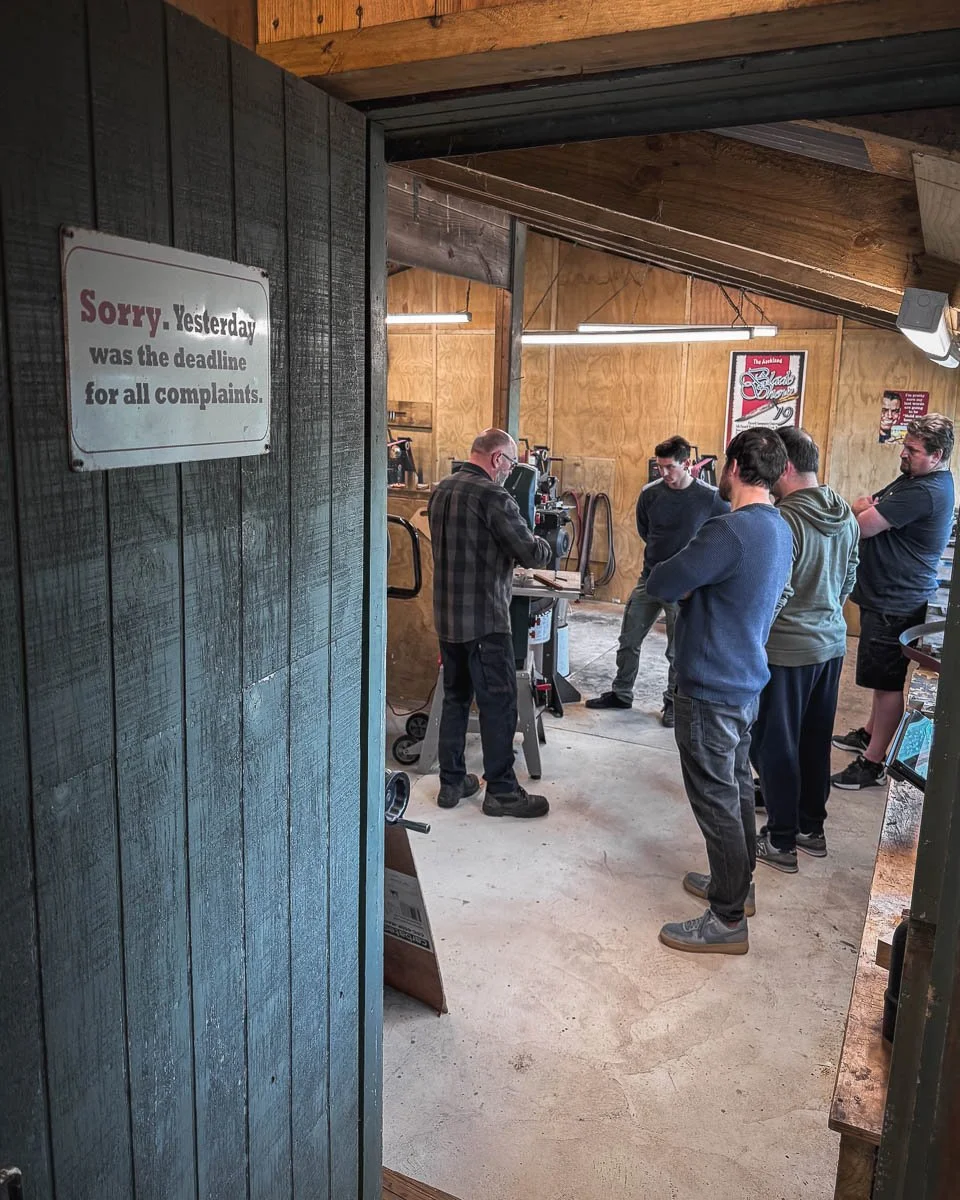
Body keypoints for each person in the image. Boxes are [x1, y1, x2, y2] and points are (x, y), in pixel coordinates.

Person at [646, 428, 793, 955]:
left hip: (711, 686)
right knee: (733, 793)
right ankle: (738, 886)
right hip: (745, 680)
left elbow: (661, 582)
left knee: (715, 801)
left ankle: (728, 919)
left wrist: (690, 581)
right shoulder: (779, 529)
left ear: (731, 467)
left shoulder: (726, 532)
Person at [427, 428, 553, 818]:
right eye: (510, 464)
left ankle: (452, 783)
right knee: (498, 705)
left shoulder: (442, 488)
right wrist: (551, 543)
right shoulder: (493, 495)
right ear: (497, 458)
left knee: (456, 699)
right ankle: (501, 791)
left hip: (448, 618)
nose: (508, 473)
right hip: (485, 621)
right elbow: (529, 552)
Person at [751, 428, 860, 873]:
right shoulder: (846, 514)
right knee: (813, 740)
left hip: (787, 650)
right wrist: (828, 610)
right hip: (830, 644)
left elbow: (777, 591)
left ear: (788, 466)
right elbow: (851, 576)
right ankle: (810, 829)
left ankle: (780, 840)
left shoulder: (785, 520)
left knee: (774, 743)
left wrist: (755, 635)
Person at [832, 413, 955, 789]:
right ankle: (871, 734)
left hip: (895, 598)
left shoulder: (925, 491)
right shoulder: (916, 478)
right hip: (886, 594)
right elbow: (871, 507)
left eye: (913, 450)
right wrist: (863, 507)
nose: (903, 454)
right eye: (905, 446)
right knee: (878, 676)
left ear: (936, 456)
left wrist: (858, 508)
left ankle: (873, 763)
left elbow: (863, 522)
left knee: (887, 684)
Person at [586, 435, 727, 727]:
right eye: (659, 467)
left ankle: (672, 703)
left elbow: (722, 534)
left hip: (686, 587)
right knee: (628, 639)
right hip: (650, 578)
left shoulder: (710, 498)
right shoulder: (650, 494)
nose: (664, 474)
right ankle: (621, 692)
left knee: (677, 651)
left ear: (687, 464)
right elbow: (645, 529)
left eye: (670, 467)